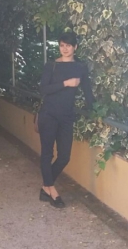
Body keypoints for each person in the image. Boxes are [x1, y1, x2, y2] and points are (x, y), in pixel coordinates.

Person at [38, 31, 94, 208]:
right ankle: (52, 191)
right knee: (47, 154)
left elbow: (87, 91)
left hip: (66, 117)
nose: (65, 49)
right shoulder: (51, 66)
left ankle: (45, 186)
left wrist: (95, 112)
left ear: (75, 47)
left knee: (64, 156)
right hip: (48, 114)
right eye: (62, 45)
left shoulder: (80, 67)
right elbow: (43, 89)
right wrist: (66, 83)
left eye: (68, 45)